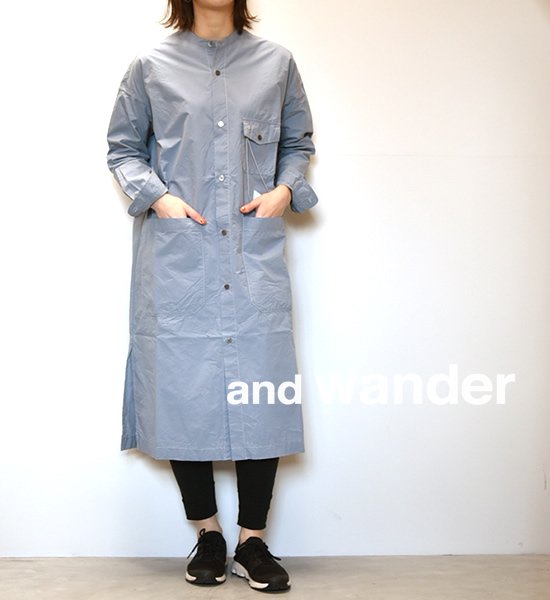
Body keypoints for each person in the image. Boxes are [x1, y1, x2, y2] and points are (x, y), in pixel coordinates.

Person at [106, 0, 318, 592]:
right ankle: (208, 534)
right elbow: (122, 148)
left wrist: (284, 191)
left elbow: (298, 142)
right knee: (184, 384)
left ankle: (252, 541)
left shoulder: (277, 63)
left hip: (252, 252)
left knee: (261, 385)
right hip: (183, 254)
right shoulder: (150, 65)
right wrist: (159, 198)